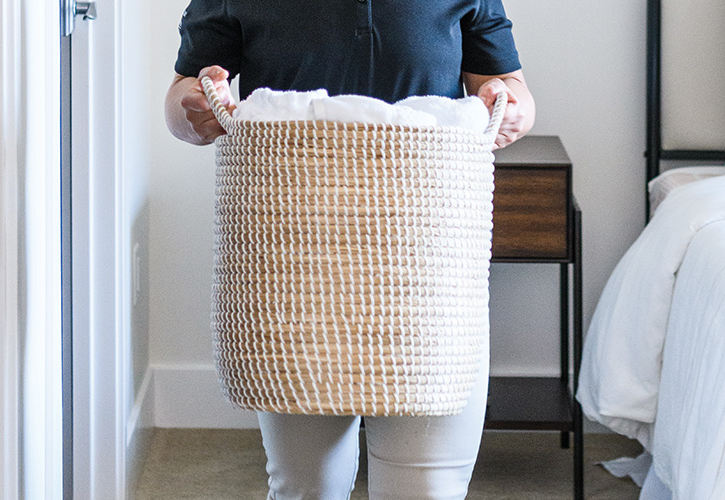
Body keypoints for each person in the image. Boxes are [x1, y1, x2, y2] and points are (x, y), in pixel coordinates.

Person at [164, 2, 535, 499]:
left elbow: (511, 88)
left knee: (426, 488)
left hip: (427, 267)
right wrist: (193, 112)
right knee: (308, 486)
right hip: (295, 265)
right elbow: (184, 92)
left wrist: (508, 107)